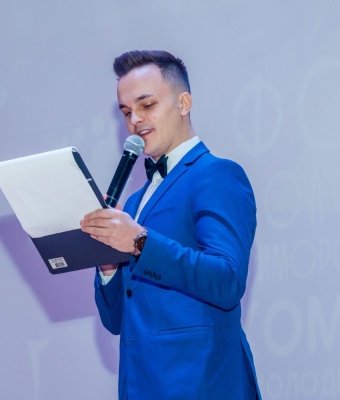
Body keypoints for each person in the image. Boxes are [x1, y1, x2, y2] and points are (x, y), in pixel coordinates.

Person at [80, 50, 261, 400]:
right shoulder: (134, 203)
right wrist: (107, 265)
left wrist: (139, 242)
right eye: (127, 112)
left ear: (184, 103)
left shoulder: (217, 175)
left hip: (201, 385)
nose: (135, 120)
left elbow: (227, 280)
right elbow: (116, 321)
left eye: (147, 105)